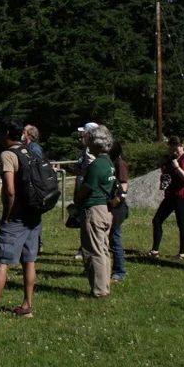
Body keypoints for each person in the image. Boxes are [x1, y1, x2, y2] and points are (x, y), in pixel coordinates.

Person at [0, 116, 42, 324]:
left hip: (17, 216)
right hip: (34, 215)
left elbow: (10, 191)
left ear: (5, 133)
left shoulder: (8, 155)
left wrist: (5, 216)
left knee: (1, 262)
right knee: (29, 261)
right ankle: (27, 306)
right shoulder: (30, 150)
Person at [74, 124, 115, 299]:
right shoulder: (108, 162)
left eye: (89, 141)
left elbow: (86, 188)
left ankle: (98, 290)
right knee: (103, 249)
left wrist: (77, 199)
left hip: (93, 210)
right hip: (105, 209)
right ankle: (104, 285)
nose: (87, 144)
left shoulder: (96, 165)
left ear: (96, 144)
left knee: (94, 250)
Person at [147, 135, 184, 260]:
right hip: (171, 194)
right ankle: (155, 251)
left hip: (182, 195)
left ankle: (182, 253)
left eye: (176, 149)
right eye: (172, 149)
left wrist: (177, 166)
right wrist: (163, 165)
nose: (174, 152)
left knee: (181, 223)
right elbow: (166, 175)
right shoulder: (172, 158)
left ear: (182, 146)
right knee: (157, 220)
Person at [73, 122, 98, 259]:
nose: (81, 136)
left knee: (88, 221)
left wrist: (81, 171)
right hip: (81, 189)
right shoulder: (85, 150)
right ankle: (83, 248)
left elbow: (91, 169)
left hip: (87, 191)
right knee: (83, 221)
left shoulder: (91, 151)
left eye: (83, 133)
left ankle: (87, 250)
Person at [108, 141, 129, 282]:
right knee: (111, 238)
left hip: (118, 208)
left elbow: (124, 184)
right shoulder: (112, 161)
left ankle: (119, 271)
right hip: (112, 205)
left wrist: (117, 200)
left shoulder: (120, 163)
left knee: (115, 239)